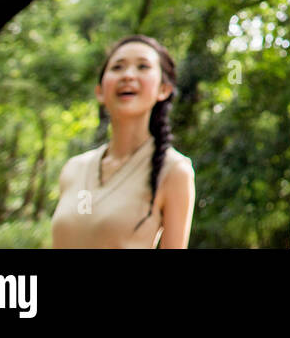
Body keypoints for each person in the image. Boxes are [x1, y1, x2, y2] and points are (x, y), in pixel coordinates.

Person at [51, 34, 195, 248]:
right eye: (117, 67)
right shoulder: (73, 169)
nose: (128, 75)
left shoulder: (174, 171)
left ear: (163, 89)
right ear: (99, 92)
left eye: (143, 67)